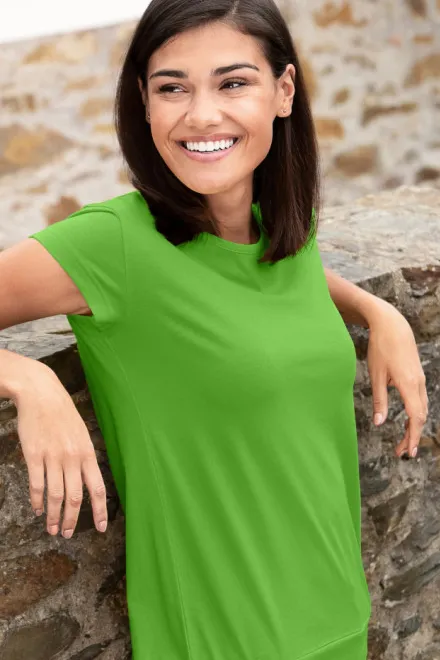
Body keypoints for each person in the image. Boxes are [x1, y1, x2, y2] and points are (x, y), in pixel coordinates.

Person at [0, 1, 428, 659]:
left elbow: (261, 285)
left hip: (339, 617)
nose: (202, 114)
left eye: (233, 83)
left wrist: (378, 310)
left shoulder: (281, 227)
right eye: (173, 88)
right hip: (220, 641)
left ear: (283, 91)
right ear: (144, 102)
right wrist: (26, 378)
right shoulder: (112, 245)